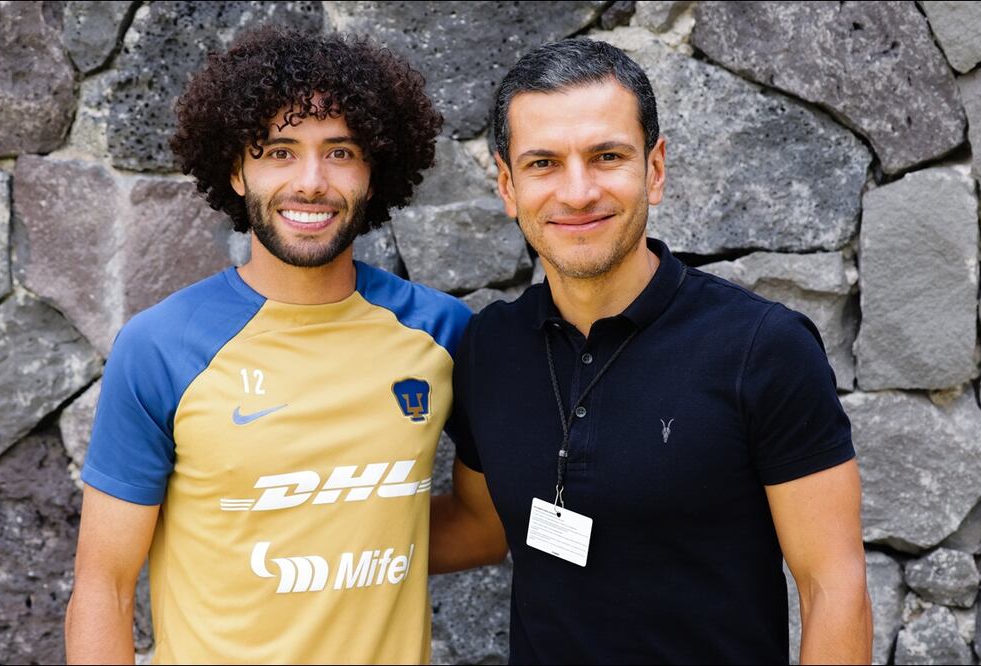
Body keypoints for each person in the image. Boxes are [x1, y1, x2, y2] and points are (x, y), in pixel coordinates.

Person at [431, 38, 872, 664]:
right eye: (543, 164)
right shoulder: (489, 348)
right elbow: (477, 528)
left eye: (606, 156)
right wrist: (291, 535)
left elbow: (833, 584)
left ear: (654, 169)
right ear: (507, 185)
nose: (578, 192)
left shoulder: (761, 348)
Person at [65, 25, 469, 664]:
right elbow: (103, 587)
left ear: (374, 171)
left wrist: (355, 542)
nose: (310, 182)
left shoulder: (442, 335)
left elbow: (483, 526)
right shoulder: (161, 347)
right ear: (236, 170)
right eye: (279, 151)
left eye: (340, 151)